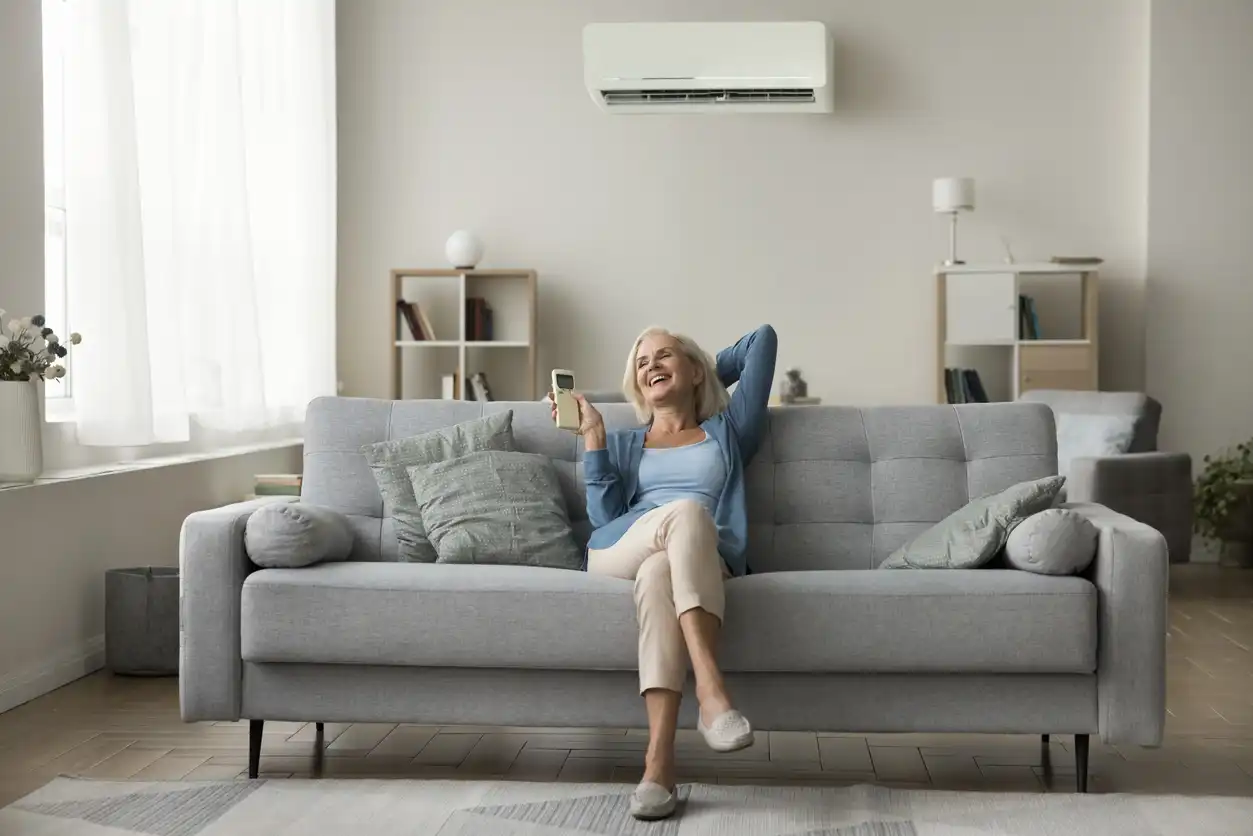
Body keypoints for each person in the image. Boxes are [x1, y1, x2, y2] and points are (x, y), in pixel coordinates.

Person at [549, 323, 777, 820]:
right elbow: (607, 521)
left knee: (658, 575)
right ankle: (712, 692)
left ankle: (659, 766)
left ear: (695, 371)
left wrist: (697, 366)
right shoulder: (629, 443)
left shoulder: (730, 430)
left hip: (697, 558)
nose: (650, 364)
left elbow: (763, 340)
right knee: (687, 514)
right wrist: (594, 438)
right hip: (621, 547)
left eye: (664, 356)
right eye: (641, 361)